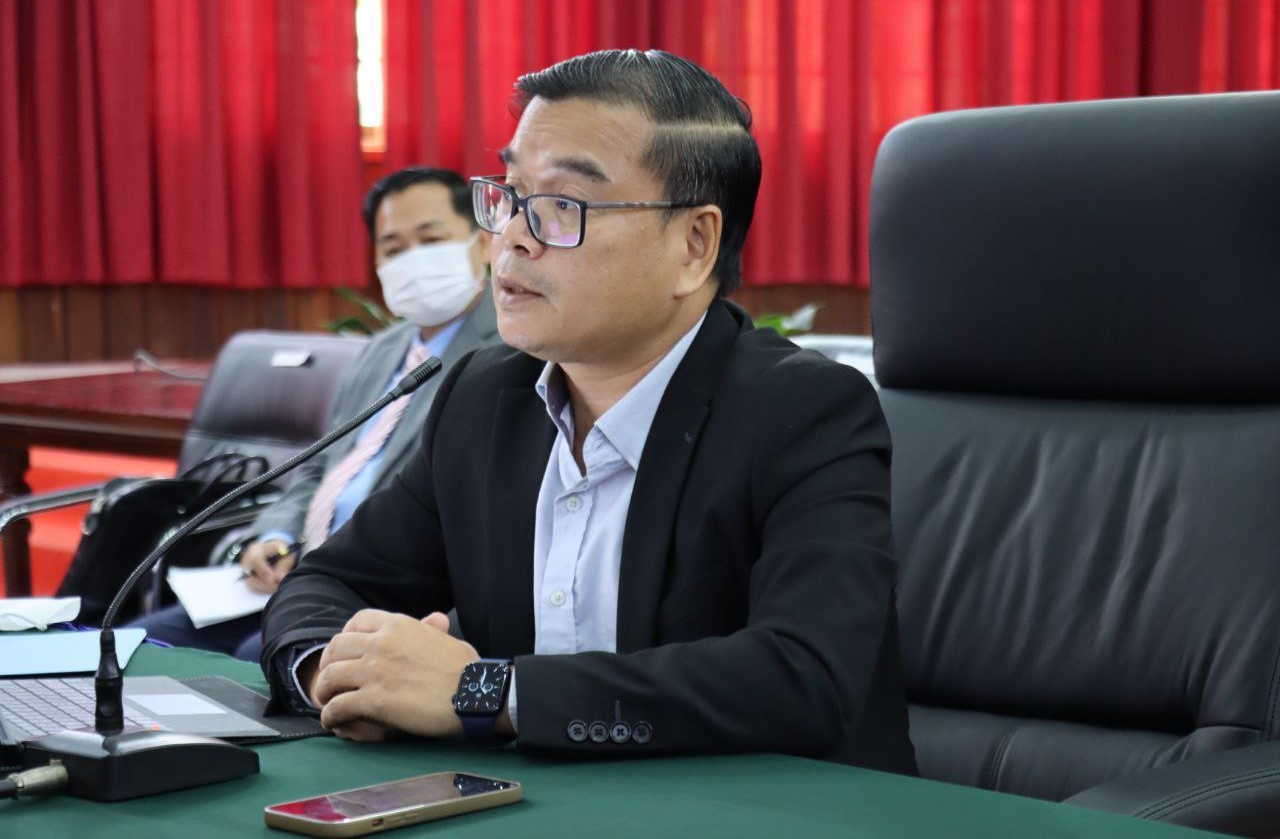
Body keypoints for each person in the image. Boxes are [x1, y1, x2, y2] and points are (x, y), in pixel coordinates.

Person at [261, 49, 917, 774]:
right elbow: (327, 583)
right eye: (510, 194)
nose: (512, 236)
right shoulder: (484, 398)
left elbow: (803, 677)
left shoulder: (806, 413)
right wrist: (335, 671)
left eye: (562, 205)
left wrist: (488, 693)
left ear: (694, 245)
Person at [129, 167, 499, 661]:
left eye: (431, 240)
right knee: (140, 644)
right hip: (297, 577)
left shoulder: (505, 352)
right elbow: (320, 468)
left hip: (387, 593)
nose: (413, 259)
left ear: (483, 243)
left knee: (253, 660)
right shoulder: (379, 352)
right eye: (394, 248)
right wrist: (276, 535)